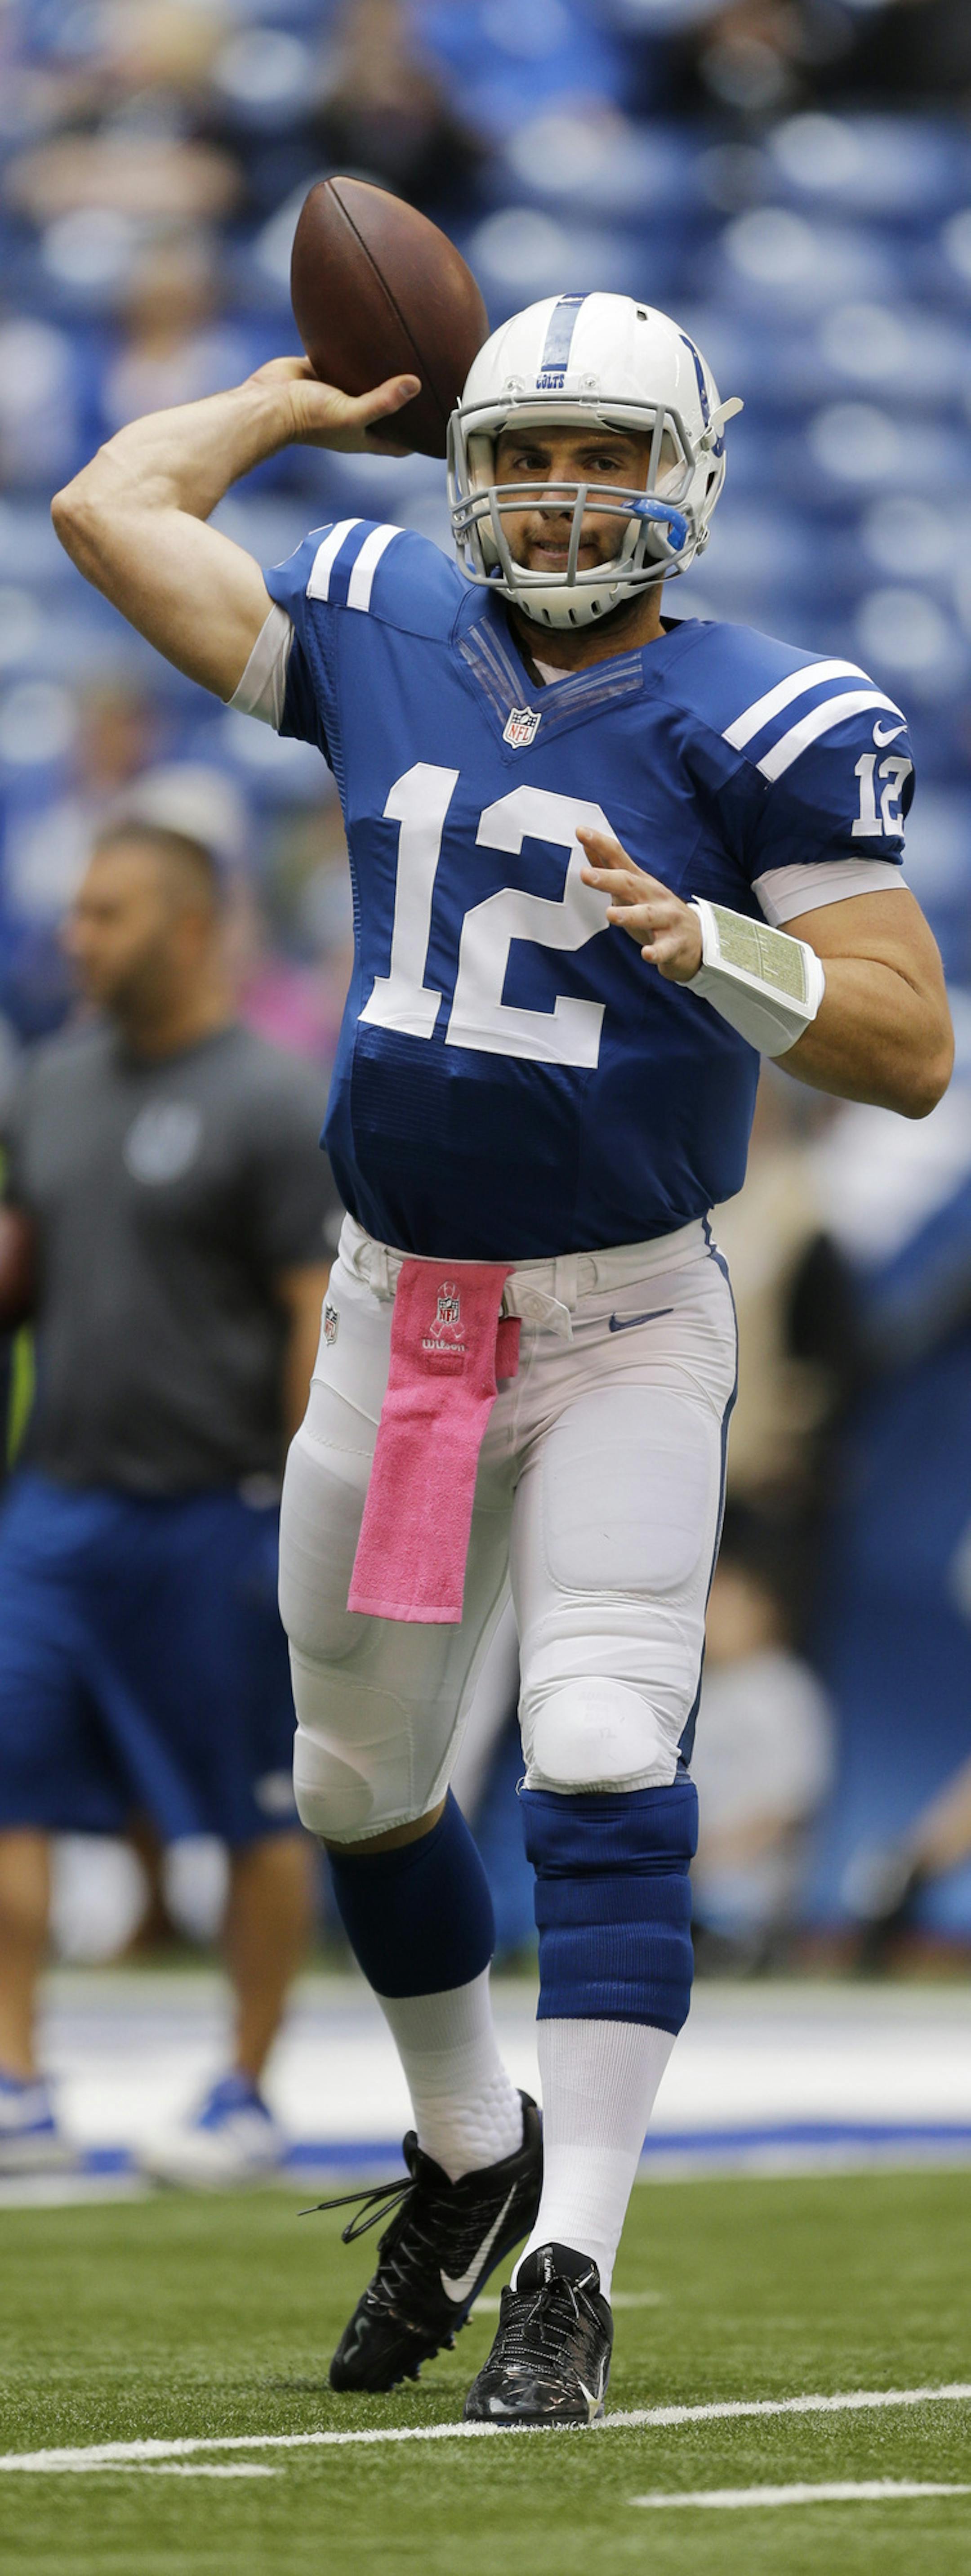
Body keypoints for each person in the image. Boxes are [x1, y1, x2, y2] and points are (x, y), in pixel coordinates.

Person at [51, 290, 952, 2420]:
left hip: (628, 1314)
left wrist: (714, 941)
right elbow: (111, 501)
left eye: (606, 458)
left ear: (685, 475)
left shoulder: (776, 716)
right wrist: (290, 397)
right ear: (464, 469)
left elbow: (912, 1045)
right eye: (527, 455)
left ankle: (574, 2264)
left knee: (607, 1751)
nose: (561, 496)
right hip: (410, 1318)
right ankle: (471, 2146)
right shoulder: (378, 619)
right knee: (356, 1784)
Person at [0, 812, 339, 2183]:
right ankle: (15, 2076)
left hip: (219, 1511)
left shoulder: (271, 1098)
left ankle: (246, 2086)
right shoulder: (53, 1083)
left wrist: (309, 1515)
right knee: (8, 1788)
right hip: (58, 1510)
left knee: (258, 1809)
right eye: (77, 913)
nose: (78, 937)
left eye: (110, 914)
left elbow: (313, 1316)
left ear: (192, 927)